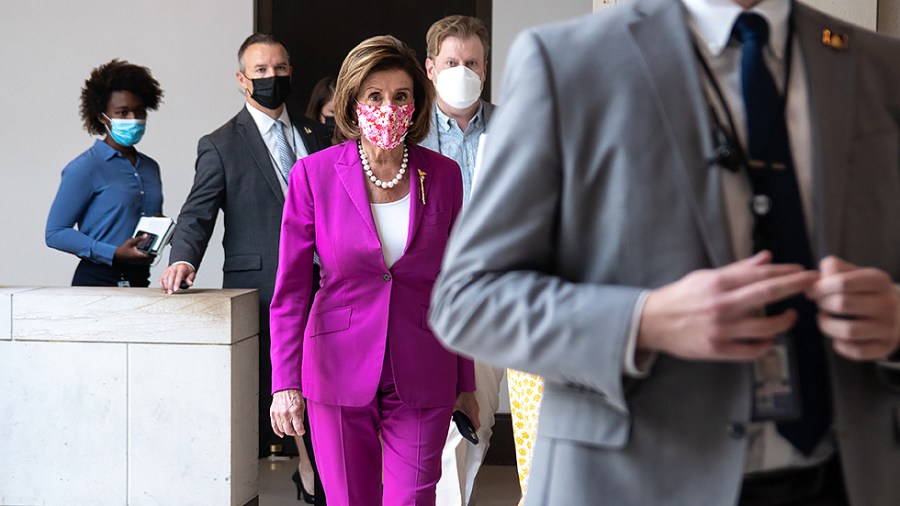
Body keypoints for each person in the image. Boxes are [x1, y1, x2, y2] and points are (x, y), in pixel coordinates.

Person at [429, 0, 900, 505]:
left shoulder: (881, 68)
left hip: (847, 479)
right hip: (635, 480)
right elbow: (468, 301)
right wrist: (642, 322)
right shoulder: (567, 64)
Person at [268, 35, 477, 506]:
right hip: (337, 368)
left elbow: (456, 284)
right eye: (375, 96)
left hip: (424, 365)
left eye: (401, 96)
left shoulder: (443, 176)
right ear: (353, 102)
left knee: (412, 499)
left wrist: (466, 383)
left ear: (417, 102)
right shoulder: (314, 176)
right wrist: (285, 383)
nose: (389, 107)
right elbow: (292, 292)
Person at [157, 33, 331, 503]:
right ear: (241, 79)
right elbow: (198, 212)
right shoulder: (220, 144)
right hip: (268, 290)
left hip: (333, 288)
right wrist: (184, 257)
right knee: (293, 396)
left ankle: (318, 477)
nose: (272, 77)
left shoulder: (318, 133)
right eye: (260, 71)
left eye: (280, 68)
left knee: (329, 393)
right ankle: (316, 479)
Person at [417, 15, 501, 506]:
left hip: (502, 291)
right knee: (445, 428)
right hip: (435, 299)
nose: (462, 71)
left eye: (471, 63)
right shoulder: (412, 138)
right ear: (430, 68)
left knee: (481, 421)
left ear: (485, 69)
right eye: (452, 62)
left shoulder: (517, 128)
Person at [46, 59, 164, 287]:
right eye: (122, 112)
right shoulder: (85, 168)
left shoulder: (150, 167)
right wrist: (114, 252)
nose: (133, 119)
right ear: (102, 117)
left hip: (140, 281)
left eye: (139, 112)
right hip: (97, 281)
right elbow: (55, 232)